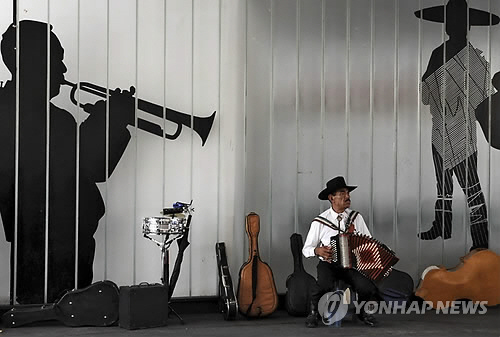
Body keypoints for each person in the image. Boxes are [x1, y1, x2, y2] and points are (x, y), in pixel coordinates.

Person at [0, 20, 135, 303]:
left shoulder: (49, 116)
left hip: (61, 239)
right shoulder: (31, 115)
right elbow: (88, 166)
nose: (63, 70)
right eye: (56, 60)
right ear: (33, 62)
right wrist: (107, 122)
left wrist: (105, 123)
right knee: (53, 307)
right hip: (50, 241)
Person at [415, 0, 498, 251]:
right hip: (440, 127)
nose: (455, 26)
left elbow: (482, 96)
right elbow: (426, 94)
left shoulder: (474, 59)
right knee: (443, 183)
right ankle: (442, 224)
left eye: (459, 22)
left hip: (462, 130)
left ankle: (480, 239)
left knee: (471, 185)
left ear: (467, 25)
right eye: (452, 21)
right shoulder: (437, 54)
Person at [302, 176, 379, 327]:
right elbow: (306, 249)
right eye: (342, 193)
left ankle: (361, 313)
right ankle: (313, 313)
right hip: (329, 264)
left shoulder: (356, 218)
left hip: (352, 265)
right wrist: (317, 250)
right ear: (331, 198)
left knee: (368, 287)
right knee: (323, 284)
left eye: (348, 193)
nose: (347, 196)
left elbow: (369, 242)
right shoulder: (320, 221)